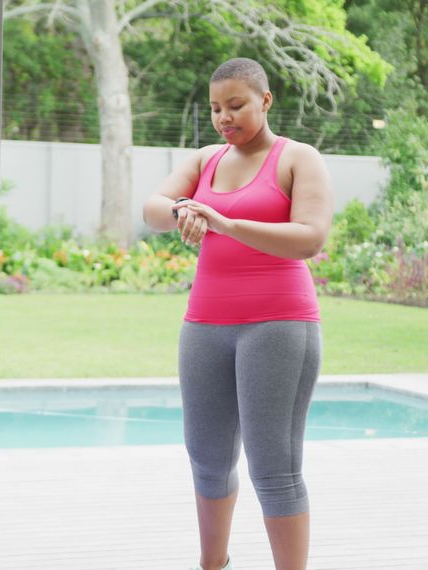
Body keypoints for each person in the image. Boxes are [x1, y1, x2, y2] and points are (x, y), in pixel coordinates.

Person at [141, 57, 334, 570]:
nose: (224, 118)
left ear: (265, 100)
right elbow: (153, 208)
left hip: (279, 326)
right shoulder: (205, 160)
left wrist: (225, 223)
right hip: (204, 326)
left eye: (236, 105)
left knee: (274, 466)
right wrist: (182, 209)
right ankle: (212, 565)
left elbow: (310, 238)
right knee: (206, 458)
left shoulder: (298, 158)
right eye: (216, 109)